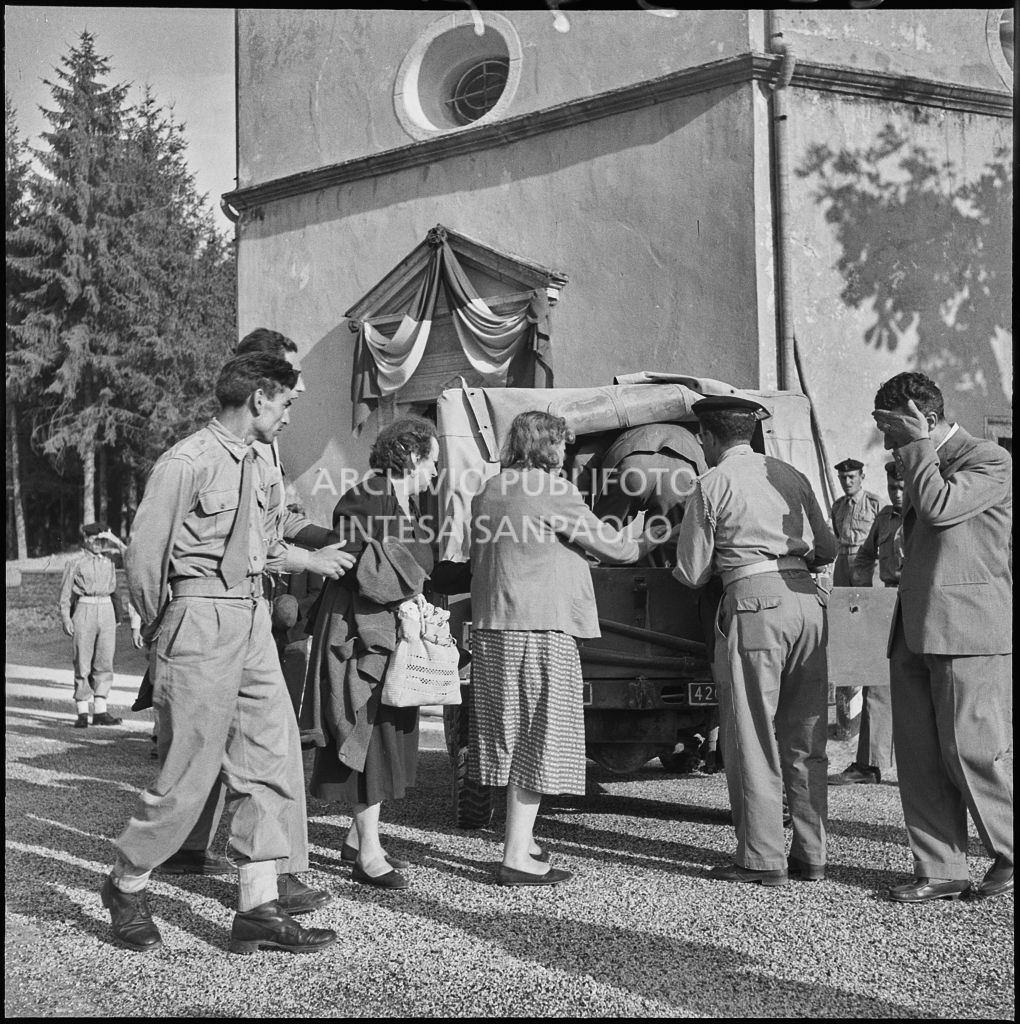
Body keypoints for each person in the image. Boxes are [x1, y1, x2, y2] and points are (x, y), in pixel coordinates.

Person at [101, 353, 356, 955]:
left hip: (253, 620)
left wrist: (304, 558)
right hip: (200, 620)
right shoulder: (186, 462)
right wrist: (167, 626)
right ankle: (126, 882)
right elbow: (144, 558)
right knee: (188, 771)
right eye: (288, 403)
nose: (291, 416)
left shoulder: (260, 464)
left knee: (270, 757)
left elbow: (264, 544)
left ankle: (258, 908)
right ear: (260, 398)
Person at [152, 326, 339, 881]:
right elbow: (189, 546)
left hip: (254, 609)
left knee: (263, 742)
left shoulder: (269, 443)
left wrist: (326, 538)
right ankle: (171, 857)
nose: (299, 389)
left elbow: (284, 518)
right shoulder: (207, 450)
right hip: (212, 611)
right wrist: (160, 621)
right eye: (288, 376)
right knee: (206, 743)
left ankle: (268, 878)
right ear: (260, 384)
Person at [468, 411, 662, 886]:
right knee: (540, 739)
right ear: (548, 447)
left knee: (509, 738)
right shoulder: (553, 490)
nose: (567, 456)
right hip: (540, 628)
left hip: (494, 629)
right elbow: (616, 549)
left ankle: (523, 839)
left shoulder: (489, 491)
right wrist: (657, 534)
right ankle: (516, 856)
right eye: (563, 447)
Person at [673, 395, 836, 887]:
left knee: (752, 735)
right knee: (806, 738)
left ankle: (762, 859)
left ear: (709, 437)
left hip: (753, 603)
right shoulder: (791, 474)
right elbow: (826, 548)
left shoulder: (711, 483)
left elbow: (692, 571)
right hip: (808, 603)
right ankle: (813, 855)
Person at [872, 371, 1012, 903]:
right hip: (915, 628)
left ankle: (1011, 850)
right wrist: (917, 445)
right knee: (921, 755)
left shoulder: (990, 460)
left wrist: (918, 444)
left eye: (891, 427)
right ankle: (942, 866)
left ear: (926, 419)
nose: (887, 441)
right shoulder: (921, 458)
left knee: (971, 750)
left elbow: (939, 508)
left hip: (966, 630)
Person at [300, 415, 440, 891]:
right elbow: (365, 566)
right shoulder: (367, 494)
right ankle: (369, 853)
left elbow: (401, 561)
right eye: (432, 462)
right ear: (412, 456)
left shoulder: (399, 499)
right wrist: (419, 562)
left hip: (383, 627)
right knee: (367, 727)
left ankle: (358, 838)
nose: (435, 473)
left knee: (386, 729)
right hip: (359, 630)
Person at [829, 460, 904, 786]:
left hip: (924, 606)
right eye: (893, 487)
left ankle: (946, 767)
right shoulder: (885, 517)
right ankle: (869, 764)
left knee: (934, 688)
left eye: (903, 486)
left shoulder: (930, 513)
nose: (897, 493)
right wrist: (869, 590)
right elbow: (863, 556)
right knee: (877, 684)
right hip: (887, 604)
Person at [588, 422, 706, 566]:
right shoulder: (697, 427)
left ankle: (595, 574)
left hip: (632, 459)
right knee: (668, 541)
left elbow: (582, 460)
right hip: (681, 467)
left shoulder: (616, 425)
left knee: (602, 538)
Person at [59, 522, 141, 728]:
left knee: (104, 660)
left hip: (106, 610)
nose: (98, 544)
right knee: (82, 660)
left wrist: (115, 540)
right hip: (84, 610)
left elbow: (132, 556)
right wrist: (66, 618)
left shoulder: (110, 560)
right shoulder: (75, 562)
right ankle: (82, 712)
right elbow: (65, 595)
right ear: (85, 539)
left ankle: (101, 711)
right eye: (94, 539)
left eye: (102, 540)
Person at [829, 457, 882, 740]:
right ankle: (846, 719)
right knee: (845, 625)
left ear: (862, 476)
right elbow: (837, 534)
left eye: (852, 477)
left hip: (864, 561)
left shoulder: (874, 503)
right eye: (843, 478)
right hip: (842, 561)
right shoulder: (838, 506)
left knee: (865, 627)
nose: (847, 482)